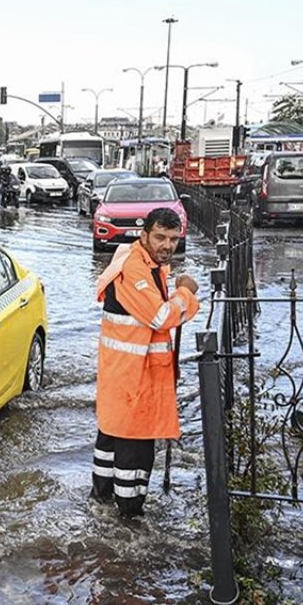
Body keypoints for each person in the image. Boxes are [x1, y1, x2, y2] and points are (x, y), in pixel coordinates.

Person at [91, 207, 200, 517]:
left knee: (112, 439)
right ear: (144, 235)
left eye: (173, 239)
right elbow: (161, 317)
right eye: (160, 238)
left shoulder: (144, 262)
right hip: (132, 377)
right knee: (133, 453)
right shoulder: (136, 269)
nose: (167, 245)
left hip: (126, 373)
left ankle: (102, 506)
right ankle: (129, 520)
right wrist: (185, 293)